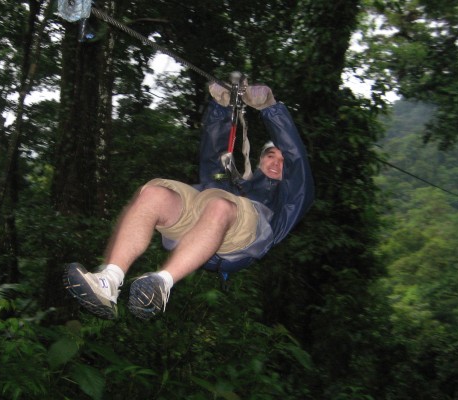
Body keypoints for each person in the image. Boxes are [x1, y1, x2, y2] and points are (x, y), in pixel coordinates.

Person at [64, 83, 314, 320]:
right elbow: (212, 165)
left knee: (220, 205)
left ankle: (160, 285)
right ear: (260, 160)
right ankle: (108, 281)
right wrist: (220, 106)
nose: (276, 163)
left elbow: (297, 161)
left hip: (248, 234)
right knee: (154, 194)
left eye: (283, 161)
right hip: (206, 215)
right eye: (271, 156)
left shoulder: (287, 199)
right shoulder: (238, 184)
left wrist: (271, 108)